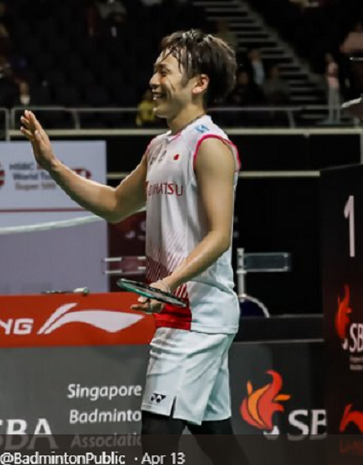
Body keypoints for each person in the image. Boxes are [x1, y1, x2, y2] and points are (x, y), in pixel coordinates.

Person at [20, 29, 248, 464]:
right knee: (217, 439)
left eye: (165, 71)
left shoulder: (210, 146)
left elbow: (219, 236)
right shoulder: (160, 147)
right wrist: (51, 164)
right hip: (179, 309)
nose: (153, 80)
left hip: (199, 313)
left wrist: (170, 283)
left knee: (156, 436)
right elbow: (113, 206)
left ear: (199, 83)